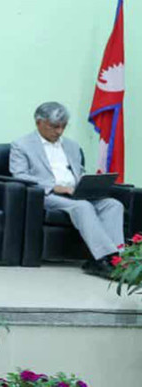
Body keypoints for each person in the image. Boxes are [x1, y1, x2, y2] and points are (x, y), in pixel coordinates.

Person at [10, 101, 124, 278]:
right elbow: (19, 175)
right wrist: (54, 187)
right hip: (48, 194)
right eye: (54, 126)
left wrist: (89, 184)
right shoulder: (22, 145)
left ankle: (117, 259)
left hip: (76, 192)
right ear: (39, 122)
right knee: (83, 207)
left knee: (113, 205)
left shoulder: (72, 146)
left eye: (63, 126)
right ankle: (103, 259)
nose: (59, 131)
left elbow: (78, 172)